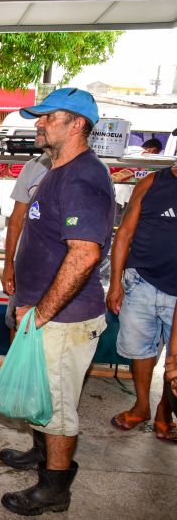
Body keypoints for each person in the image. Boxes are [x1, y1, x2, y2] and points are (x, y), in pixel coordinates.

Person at [0, 88, 114, 515]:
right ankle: (43, 454)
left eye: (48, 117)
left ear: (77, 124)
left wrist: (42, 312)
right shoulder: (55, 169)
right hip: (44, 312)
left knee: (58, 409)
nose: (38, 124)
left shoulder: (84, 176)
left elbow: (85, 252)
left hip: (63, 319)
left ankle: (54, 489)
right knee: (41, 396)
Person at [107, 161, 177, 441]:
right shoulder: (151, 182)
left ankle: (165, 409)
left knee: (175, 359)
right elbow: (123, 233)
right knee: (140, 350)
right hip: (141, 281)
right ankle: (142, 405)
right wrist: (115, 284)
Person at [2, 153, 51, 338]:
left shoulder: (85, 167)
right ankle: (17, 367)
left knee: (52, 328)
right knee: (17, 321)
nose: (41, 123)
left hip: (62, 265)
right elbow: (16, 219)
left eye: (50, 121)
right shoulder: (33, 166)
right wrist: (8, 265)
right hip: (26, 264)